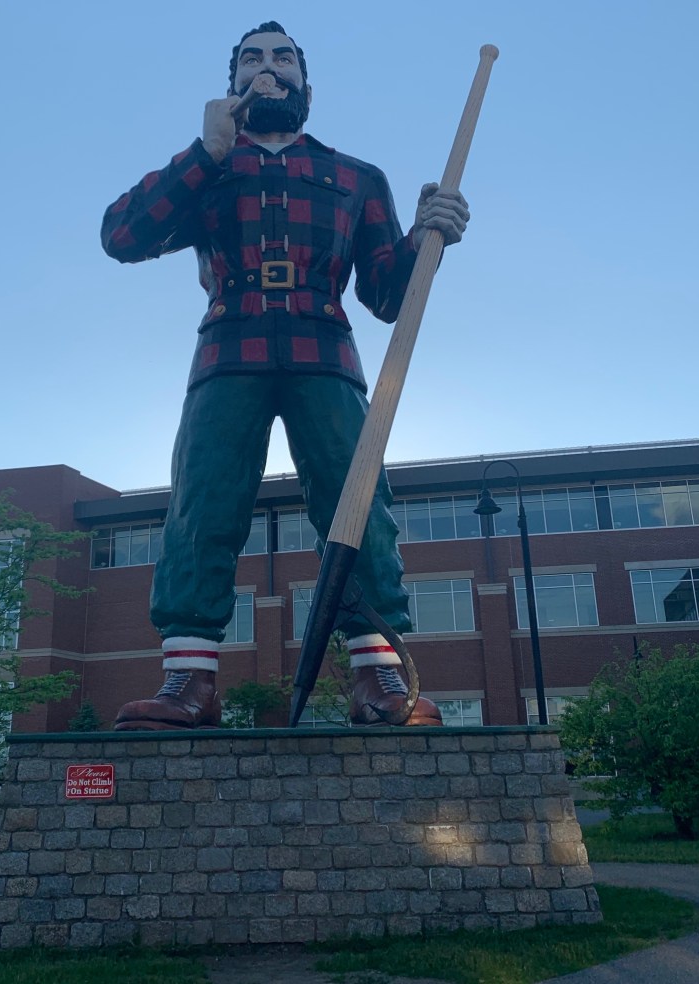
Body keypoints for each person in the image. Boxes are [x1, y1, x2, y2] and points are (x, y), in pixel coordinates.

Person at [101, 21, 469, 730]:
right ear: (232, 83)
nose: (269, 70)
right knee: (202, 506)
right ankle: (190, 682)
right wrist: (204, 152)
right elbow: (122, 235)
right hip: (226, 354)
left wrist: (429, 236)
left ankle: (379, 677)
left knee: (357, 502)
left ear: (307, 84)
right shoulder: (208, 167)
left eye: (283, 59)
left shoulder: (356, 177)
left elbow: (387, 298)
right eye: (252, 60)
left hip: (326, 355)